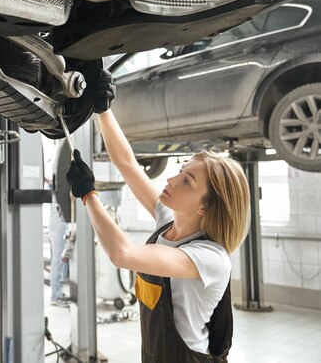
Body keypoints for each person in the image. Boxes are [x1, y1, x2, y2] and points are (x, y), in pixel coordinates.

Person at [66, 104, 250, 362]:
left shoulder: (210, 258)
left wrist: (88, 194)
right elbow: (127, 163)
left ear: (205, 206)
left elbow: (122, 254)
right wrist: (102, 107)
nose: (171, 181)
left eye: (188, 181)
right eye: (181, 172)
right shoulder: (167, 222)